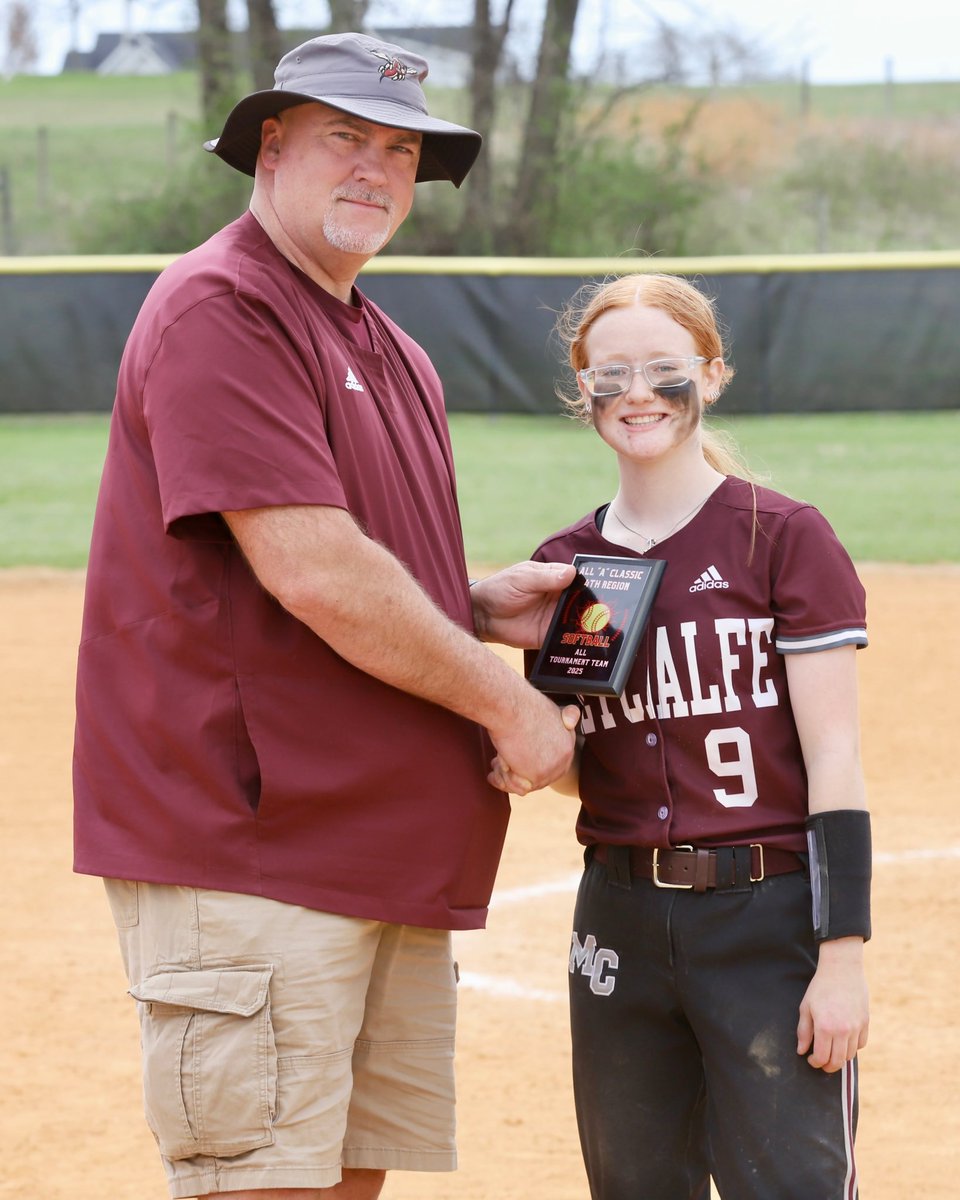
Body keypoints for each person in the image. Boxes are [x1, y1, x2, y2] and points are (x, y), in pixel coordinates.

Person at [72, 31, 579, 1200]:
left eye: (400, 150)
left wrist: (467, 606)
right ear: (269, 145)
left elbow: (308, 576)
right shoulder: (223, 306)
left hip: (367, 841)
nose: (376, 169)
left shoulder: (390, 347)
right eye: (345, 136)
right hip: (252, 845)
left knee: (347, 1182)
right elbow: (314, 572)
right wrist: (508, 704)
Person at [527, 272, 871, 1200]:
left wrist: (842, 954)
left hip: (766, 917)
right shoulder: (569, 569)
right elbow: (574, 768)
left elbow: (835, 758)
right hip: (620, 917)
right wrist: (530, 735)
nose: (636, 392)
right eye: (611, 373)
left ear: (712, 375)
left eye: (664, 368)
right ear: (583, 389)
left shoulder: (781, 536)